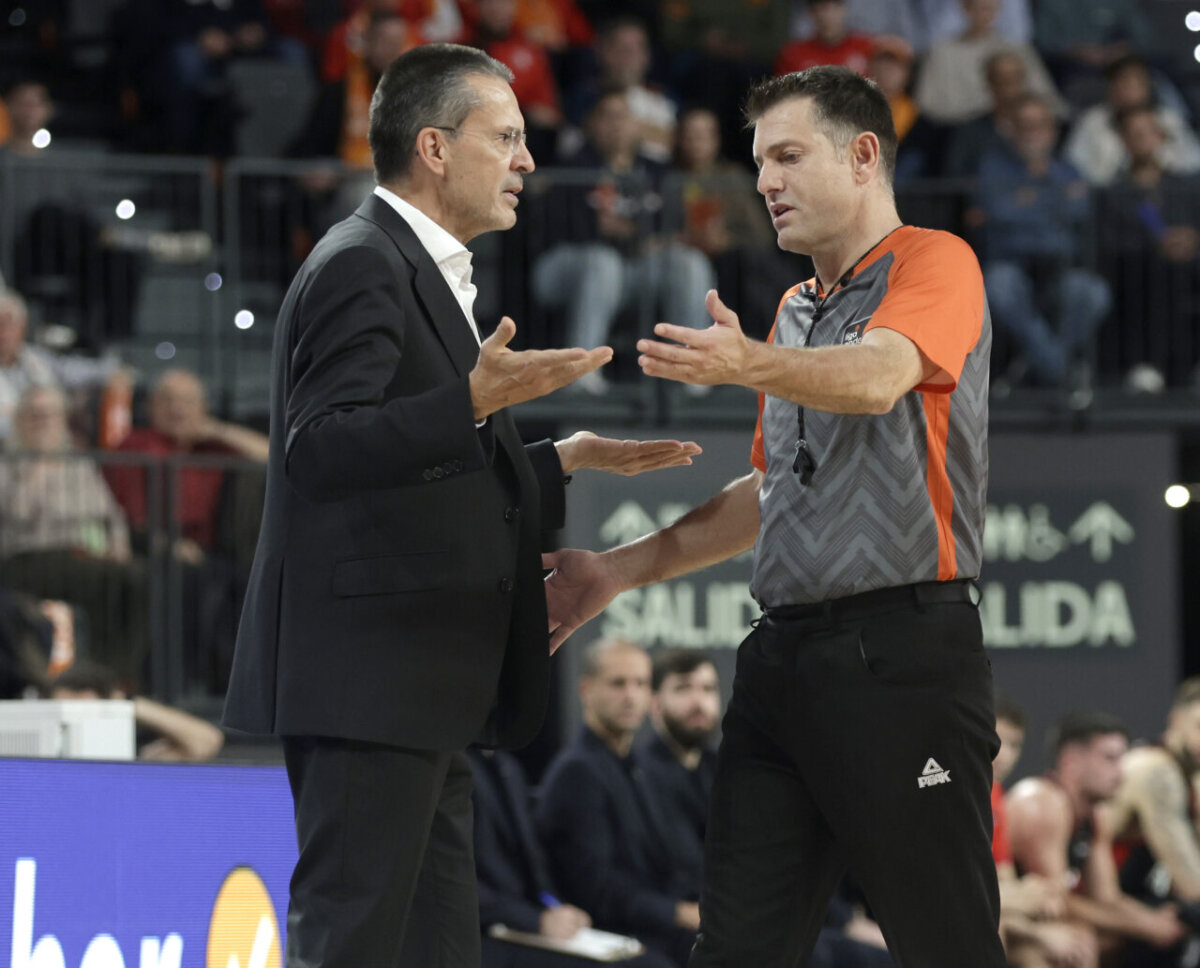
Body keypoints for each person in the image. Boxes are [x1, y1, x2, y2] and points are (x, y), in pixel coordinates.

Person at [221, 43, 700, 968]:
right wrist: (473, 402)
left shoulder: (415, 265)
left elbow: (419, 463)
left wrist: (556, 460)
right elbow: (318, 449)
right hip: (370, 680)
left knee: (439, 950)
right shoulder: (363, 262)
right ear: (436, 148)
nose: (527, 159)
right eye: (508, 137)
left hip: (421, 686)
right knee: (353, 943)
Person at [544, 64, 1005, 966]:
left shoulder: (936, 260)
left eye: (788, 156)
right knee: (736, 951)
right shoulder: (795, 309)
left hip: (902, 655)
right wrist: (618, 569)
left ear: (864, 155)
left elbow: (878, 378)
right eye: (760, 163)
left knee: (946, 946)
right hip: (780, 661)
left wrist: (748, 364)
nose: (765, 182)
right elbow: (774, 491)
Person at [529, 87, 716, 394]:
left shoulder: (656, 170)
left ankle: (690, 372)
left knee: (689, 263)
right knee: (603, 261)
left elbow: (673, 228)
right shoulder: (572, 165)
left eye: (623, 116)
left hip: (633, 271)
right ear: (591, 124)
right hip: (566, 270)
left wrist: (626, 232)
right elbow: (569, 229)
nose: (616, 124)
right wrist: (635, 236)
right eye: (607, 116)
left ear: (636, 125)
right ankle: (583, 373)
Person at [536, 639, 699, 967]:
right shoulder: (578, 771)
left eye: (640, 684)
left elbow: (667, 862)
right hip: (612, 933)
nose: (631, 695)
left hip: (652, 925)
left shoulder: (637, 768)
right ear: (586, 690)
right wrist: (679, 913)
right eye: (618, 683)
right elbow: (598, 889)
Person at [1006, 711, 1189, 965]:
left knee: (1117, 936)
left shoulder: (1097, 814)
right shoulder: (1043, 804)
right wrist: (1146, 926)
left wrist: (1153, 920)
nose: (1120, 773)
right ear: (1071, 762)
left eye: (1122, 759)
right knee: (1081, 941)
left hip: (1038, 915)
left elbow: (1106, 897)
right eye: (1110, 759)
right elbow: (1055, 903)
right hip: (1003, 919)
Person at [469, 745, 673, 968]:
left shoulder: (508, 767)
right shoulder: (453, 768)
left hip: (524, 924)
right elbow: (451, 884)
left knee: (652, 960)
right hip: (483, 933)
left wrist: (556, 907)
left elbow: (533, 867)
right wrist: (536, 920)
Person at [0, 386, 147, 685]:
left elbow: (109, 516)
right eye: (34, 415)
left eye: (49, 415)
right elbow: (18, 514)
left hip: (80, 557)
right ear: (19, 421)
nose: (43, 422)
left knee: (135, 577)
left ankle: (115, 675)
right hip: (23, 557)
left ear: (63, 420)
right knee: (97, 578)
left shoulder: (78, 465)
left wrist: (116, 547)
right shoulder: (8, 464)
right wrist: (36, 468)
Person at [971, 94, 1111, 394]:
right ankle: (1056, 369)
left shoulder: (1067, 168)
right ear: (1014, 130)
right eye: (1026, 125)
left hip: (1059, 266)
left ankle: (1035, 366)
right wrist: (1053, 199)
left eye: (1040, 125)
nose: (1033, 132)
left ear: (1053, 131)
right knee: (998, 289)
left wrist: (1026, 200)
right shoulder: (994, 167)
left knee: (1093, 294)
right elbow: (997, 210)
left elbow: (1081, 207)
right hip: (1010, 262)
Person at [991, 696, 1099, 968]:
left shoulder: (995, 797)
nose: (1004, 754)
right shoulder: (944, 795)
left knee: (1072, 945)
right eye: (996, 739)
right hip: (923, 920)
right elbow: (964, 899)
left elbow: (1005, 885)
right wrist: (1037, 931)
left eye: (1014, 744)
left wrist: (1032, 896)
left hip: (994, 914)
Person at [1111, 679, 1200, 914]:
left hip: (1129, 894)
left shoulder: (1189, 776)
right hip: (1094, 900)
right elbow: (1191, 885)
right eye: (1199, 726)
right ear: (1175, 720)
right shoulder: (1156, 772)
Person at [0, 290, 122, 446]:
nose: (2, 332)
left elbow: (74, 370)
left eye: (8, 323)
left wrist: (115, 372)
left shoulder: (39, 360)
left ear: (23, 326)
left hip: (46, 448)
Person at [913, 0, 1060, 126]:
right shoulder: (941, 52)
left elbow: (1048, 99)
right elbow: (927, 106)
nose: (983, 15)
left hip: (1015, 130)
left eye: (988, 8)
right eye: (977, 8)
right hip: (958, 130)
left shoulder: (1018, 49)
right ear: (965, 8)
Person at [1064, 55, 1200, 188]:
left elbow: (1194, 164)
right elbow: (1074, 169)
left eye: (1138, 82)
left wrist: (1163, 151)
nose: (1132, 89)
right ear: (1111, 87)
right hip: (1107, 199)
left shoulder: (1168, 119)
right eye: (1125, 82)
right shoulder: (1092, 122)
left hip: (1169, 196)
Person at [48, 660, 225, 762]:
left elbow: (207, 741)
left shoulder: (133, 751)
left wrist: (127, 705)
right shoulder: (42, 755)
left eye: (83, 713)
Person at [774, 0, 877, 77]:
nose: (827, 15)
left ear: (844, 9)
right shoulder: (792, 54)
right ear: (811, 13)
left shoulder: (868, 48)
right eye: (820, 8)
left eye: (834, 7)